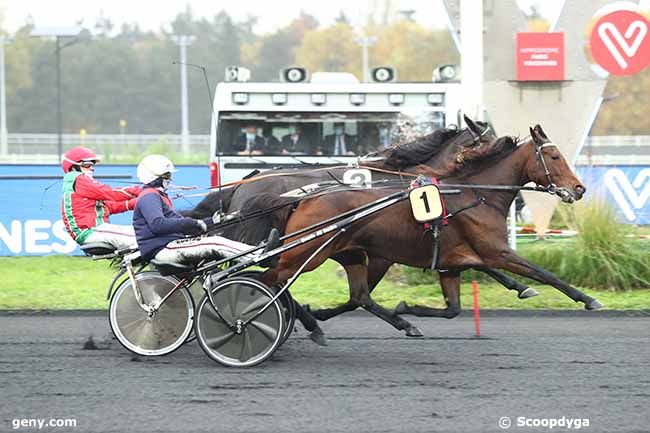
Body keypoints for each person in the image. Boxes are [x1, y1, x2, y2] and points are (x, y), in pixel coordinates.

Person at [133, 154, 279, 266]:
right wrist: (195, 223)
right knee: (215, 242)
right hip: (161, 249)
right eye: (167, 176)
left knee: (214, 239)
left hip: (168, 245)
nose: (170, 179)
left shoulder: (156, 196)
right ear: (154, 177)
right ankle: (259, 256)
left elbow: (179, 222)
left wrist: (212, 221)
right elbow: (158, 224)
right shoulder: (149, 197)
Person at [60, 146, 141, 250]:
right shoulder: (78, 179)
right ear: (73, 167)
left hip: (94, 231)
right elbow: (109, 193)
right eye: (87, 164)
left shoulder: (79, 184)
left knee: (142, 234)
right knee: (142, 238)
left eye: (92, 165)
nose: (91, 168)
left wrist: (136, 202)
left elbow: (108, 207)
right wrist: (137, 191)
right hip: (91, 231)